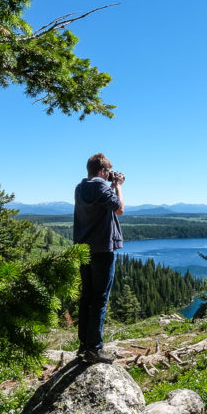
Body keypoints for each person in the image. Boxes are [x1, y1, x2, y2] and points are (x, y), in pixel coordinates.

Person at [73, 153, 125, 364]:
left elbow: (100, 201)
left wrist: (109, 186)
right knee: (100, 298)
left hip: (84, 250)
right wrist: (118, 186)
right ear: (103, 171)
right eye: (108, 171)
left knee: (87, 296)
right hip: (103, 250)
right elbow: (119, 209)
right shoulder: (102, 187)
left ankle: (84, 344)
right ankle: (95, 348)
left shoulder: (80, 187)